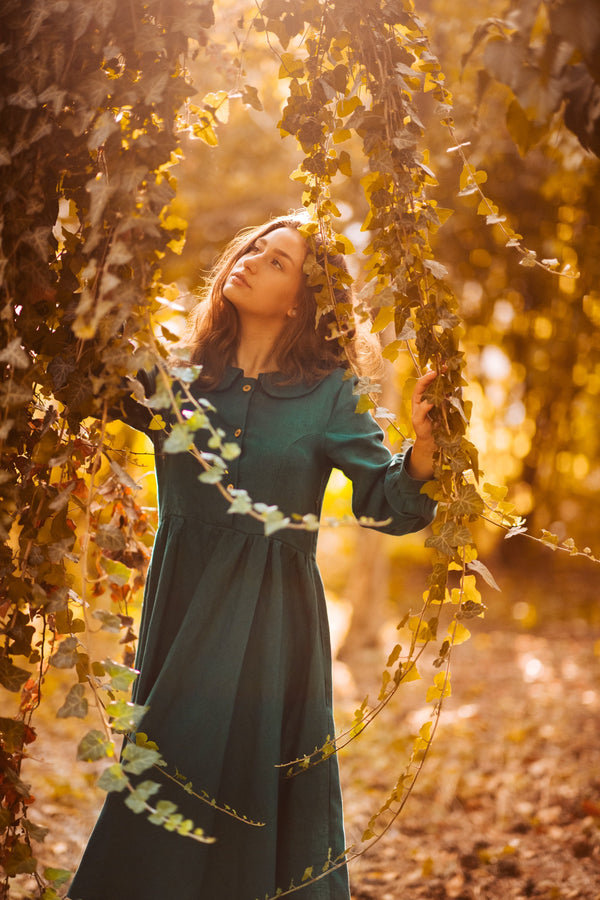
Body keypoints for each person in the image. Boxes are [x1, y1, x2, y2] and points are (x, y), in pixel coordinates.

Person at [68, 215, 438, 900]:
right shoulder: (176, 372)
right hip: (182, 605)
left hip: (274, 624)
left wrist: (424, 449)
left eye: (276, 261)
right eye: (253, 247)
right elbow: (82, 366)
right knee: (164, 774)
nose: (249, 258)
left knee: (251, 785)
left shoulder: (331, 393)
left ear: (300, 301)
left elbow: (388, 505)